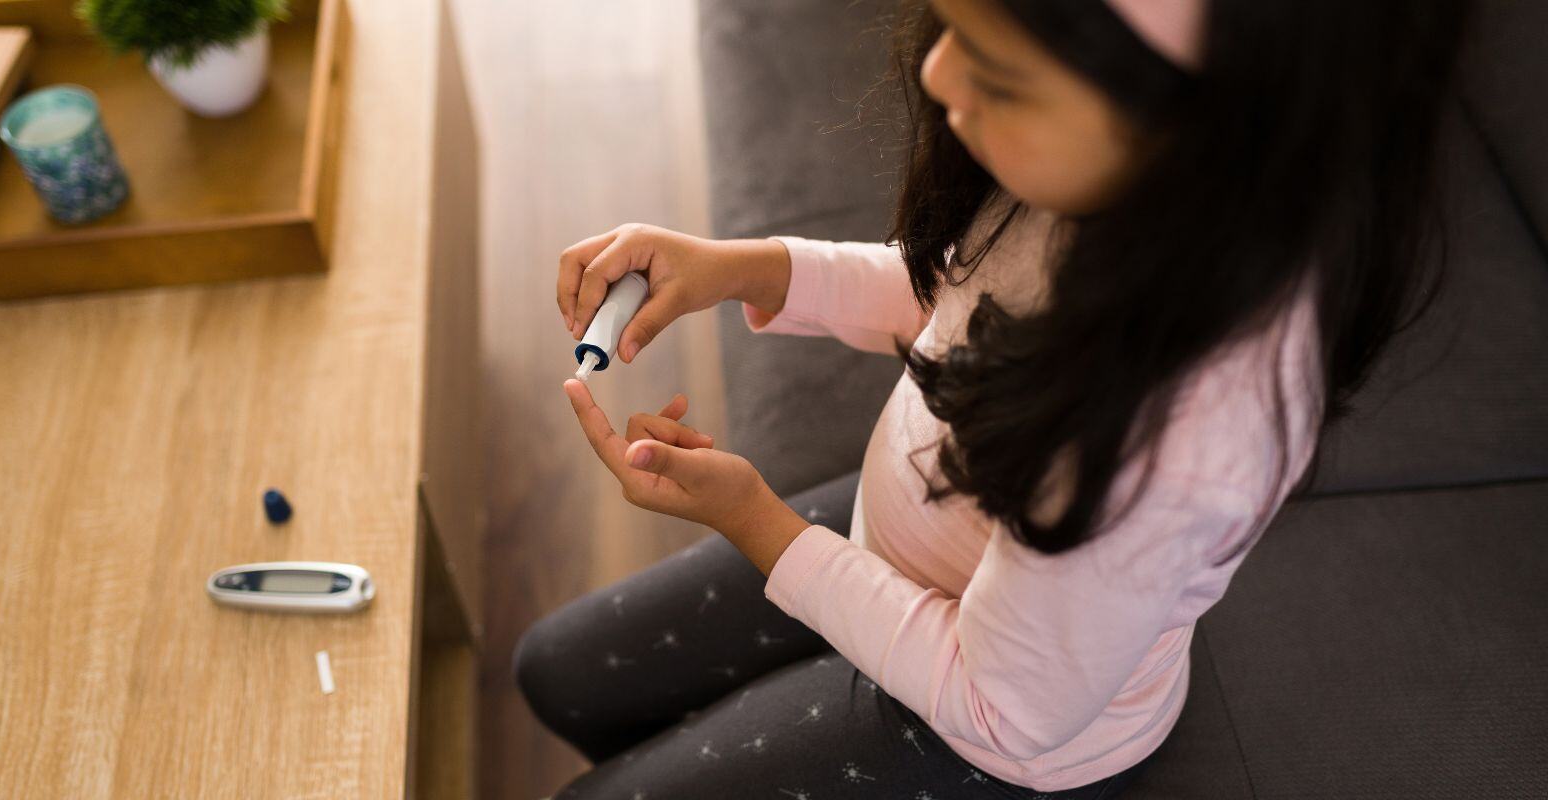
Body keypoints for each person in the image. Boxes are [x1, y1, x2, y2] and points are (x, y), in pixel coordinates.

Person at [519, 0, 1469, 796]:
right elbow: (970, 296)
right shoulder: (1103, 189)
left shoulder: (1176, 444)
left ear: (1192, 142)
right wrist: (744, 269)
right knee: (557, 674)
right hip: (909, 553)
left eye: (998, 74)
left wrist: (756, 523)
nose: (936, 75)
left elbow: (1004, 711)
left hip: (982, 728)